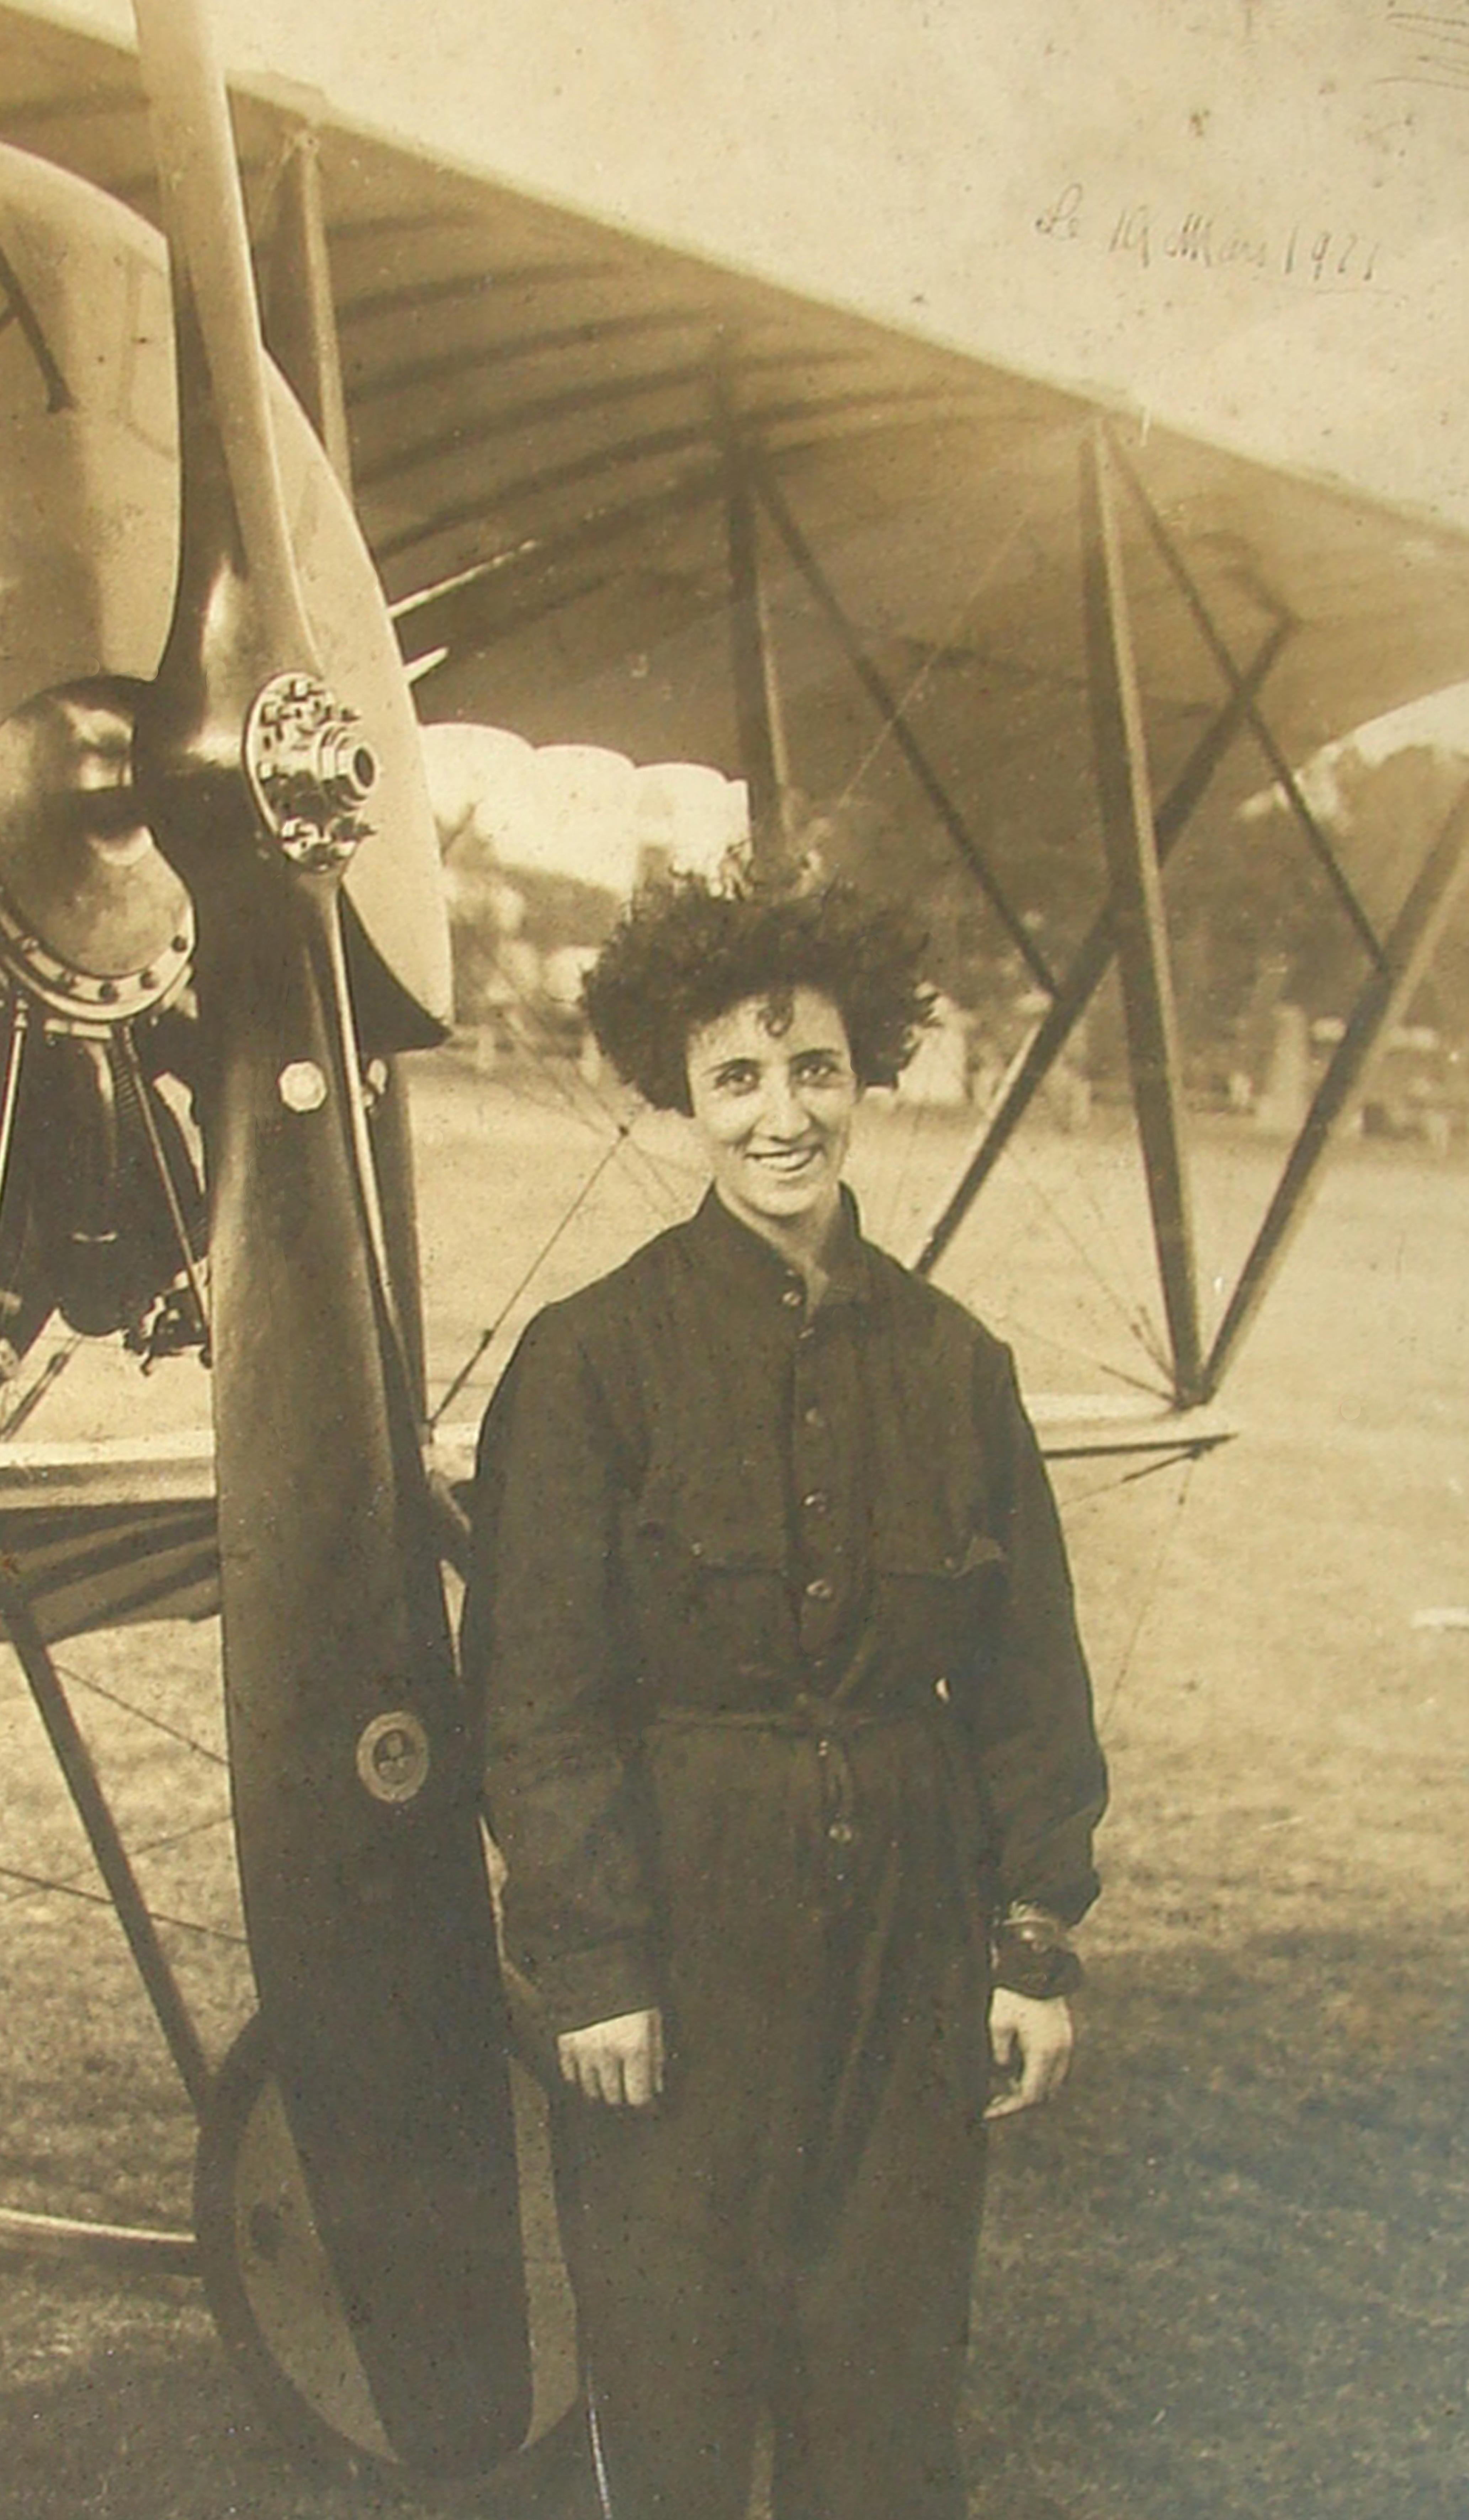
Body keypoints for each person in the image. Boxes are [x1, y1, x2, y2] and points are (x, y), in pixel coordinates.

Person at [461, 863, 1106, 2520]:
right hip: (680, 1935)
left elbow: (1029, 1679)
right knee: (673, 2390)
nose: (780, 1115)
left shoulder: (955, 1362)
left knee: (885, 2392)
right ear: (679, 1093)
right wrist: (595, 1966)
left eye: (813, 1066)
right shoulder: (590, 1359)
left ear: (863, 1068)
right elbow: (537, 1697)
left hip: (909, 1939)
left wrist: (1030, 1941)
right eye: (736, 1076)